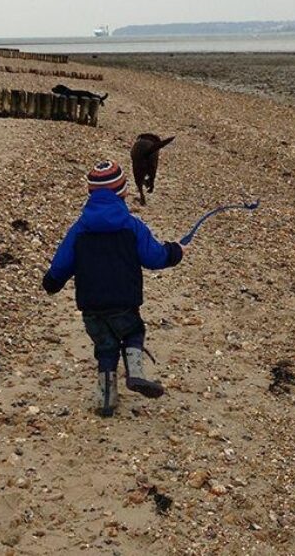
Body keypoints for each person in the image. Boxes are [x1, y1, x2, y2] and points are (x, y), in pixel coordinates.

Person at [42, 160, 186, 417]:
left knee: (106, 348)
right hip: (124, 303)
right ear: (124, 192)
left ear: (91, 193)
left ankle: (106, 399)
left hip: (91, 307)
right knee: (133, 331)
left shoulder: (80, 229)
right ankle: (136, 372)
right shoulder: (132, 226)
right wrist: (174, 252)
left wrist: (52, 282)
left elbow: (62, 262)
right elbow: (155, 257)